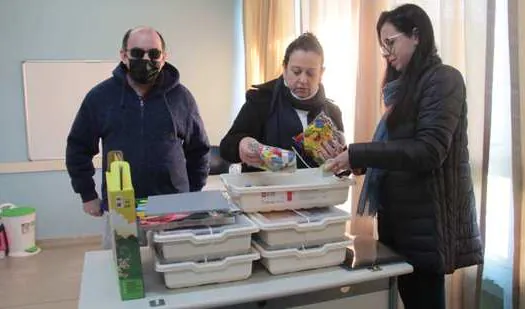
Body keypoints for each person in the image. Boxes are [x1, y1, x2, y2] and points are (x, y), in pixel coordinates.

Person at [326, 4, 483, 309]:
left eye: (390, 42)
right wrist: (351, 160)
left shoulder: (444, 80)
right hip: (400, 223)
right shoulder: (404, 90)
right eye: (382, 46)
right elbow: (396, 155)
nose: (386, 52)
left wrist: (359, 152)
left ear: (416, 36)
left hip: (426, 226)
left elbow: (427, 151)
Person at [66, 26, 210, 248]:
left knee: (173, 270)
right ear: (124, 55)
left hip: (172, 209)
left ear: (164, 57)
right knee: (123, 273)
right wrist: (87, 194)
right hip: (122, 210)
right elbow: (78, 148)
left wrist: (192, 193)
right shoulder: (100, 97)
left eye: (153, 54)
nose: (146, 59)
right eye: (137, 53)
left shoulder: (182, 97)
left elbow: (198, 149)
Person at [220, 32, 345, 171]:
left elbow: (341, 171)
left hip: (318, 191)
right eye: (296, 71)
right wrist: (241, 144)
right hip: (268, 189)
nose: (303, 80)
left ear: (321, 73)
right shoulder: (261, 101)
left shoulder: (332, 111)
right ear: (285, 69)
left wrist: (339, 161)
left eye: (310, 73)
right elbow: (226, 147)